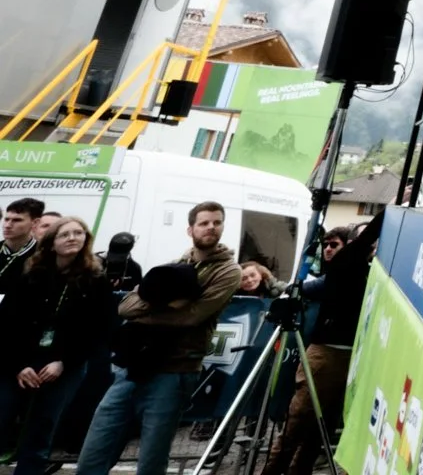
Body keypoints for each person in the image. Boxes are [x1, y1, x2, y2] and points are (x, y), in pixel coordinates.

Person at [71, 200, 243, 475]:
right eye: (204, 223)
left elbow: (192, 316)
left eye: (217, 222)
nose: (211, 227)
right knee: (93, 454)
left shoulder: (228, 271)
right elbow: (125, 307)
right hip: (132, 368)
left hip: (175, 371)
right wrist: (169, 304)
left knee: (151, 461)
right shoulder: (173, 265)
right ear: (191, 229)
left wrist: (149, 310)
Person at [260, 214, 380, 475]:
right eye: (326, 245)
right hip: (328, 354)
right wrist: (392, 211)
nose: (328, 249)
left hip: (355, 358)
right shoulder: (344, 265)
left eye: (333, 244)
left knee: (321, 428)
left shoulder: (372, 272)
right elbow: (366, 238)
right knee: (298, 421)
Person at [0, 217, 114, 475]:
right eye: (65, 234)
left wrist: (64, 361)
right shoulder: (30, 274)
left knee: (42, 426)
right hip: (19, 362)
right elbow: (7, 323)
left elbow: (98, 329)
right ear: (52, 243)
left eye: (78, 233)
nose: (72, 238)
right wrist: (19, 365)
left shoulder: (96, 279)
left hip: (63, 365)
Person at [0, 198, 44, 297]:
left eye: (17, 220)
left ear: (35, 222)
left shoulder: (43, 255)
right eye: (6, 219)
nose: (7, 225)